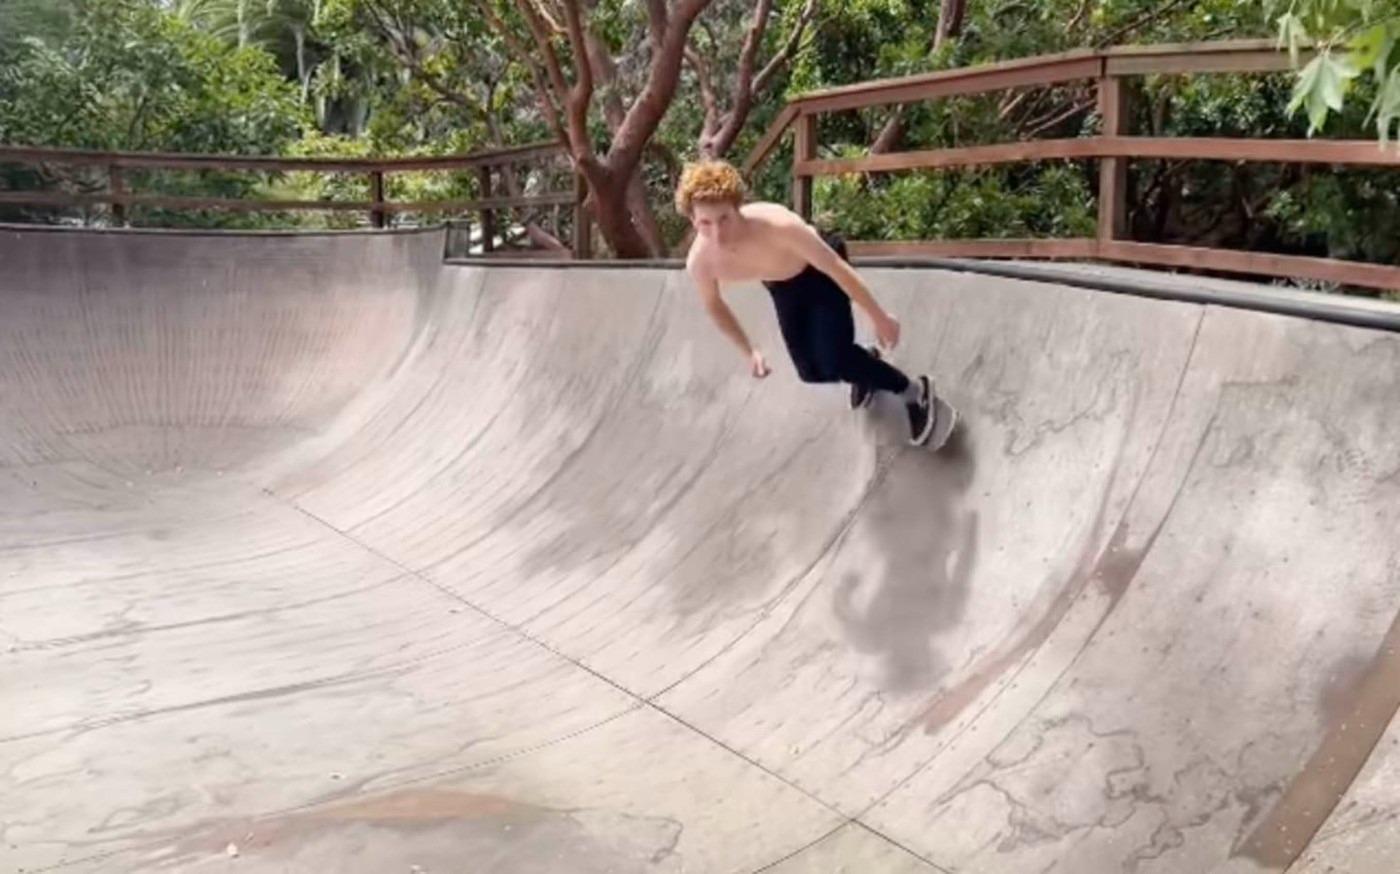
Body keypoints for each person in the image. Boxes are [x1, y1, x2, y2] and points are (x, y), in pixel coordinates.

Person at [677, 158, 956, 448]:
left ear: (738, 209)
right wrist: (750, 351)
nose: (718, 233)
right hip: (783, 287)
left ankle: (913, 391)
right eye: (705, 224)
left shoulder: (778, 225)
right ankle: (865, 365)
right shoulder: (700, 262)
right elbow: (714, 305)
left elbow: (834, 266)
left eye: (725, 219)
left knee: (834, 357)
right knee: (811, 372)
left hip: (819, 273)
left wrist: (878, 316)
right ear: (692, 221)